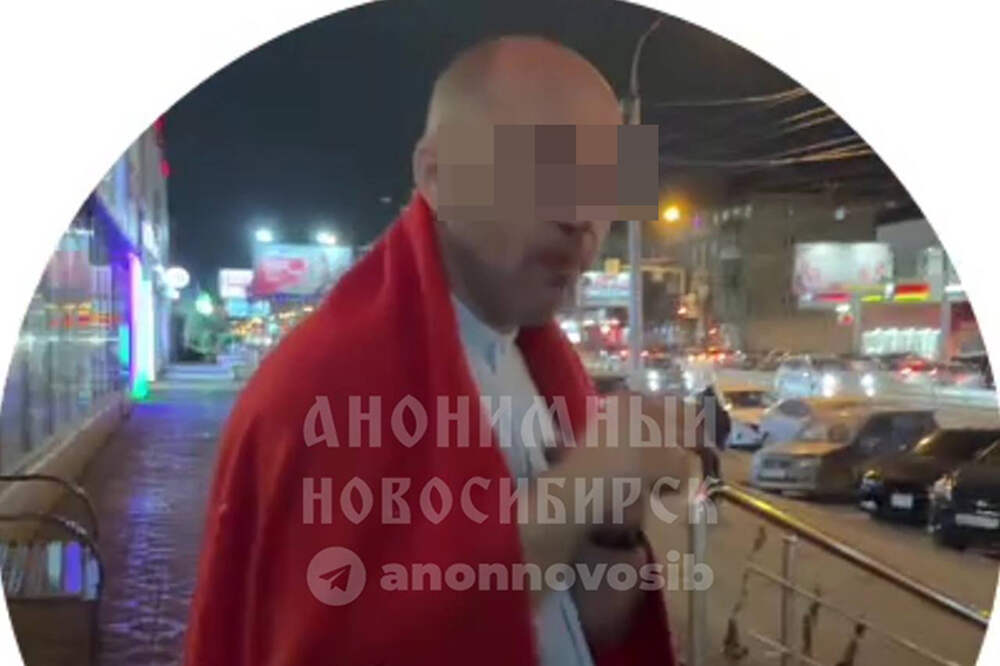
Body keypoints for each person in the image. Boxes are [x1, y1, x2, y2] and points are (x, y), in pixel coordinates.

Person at [185, 36, 689, 666]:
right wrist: (584, 485)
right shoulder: (332, 382)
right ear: (436, 176)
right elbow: (377, 645)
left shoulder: (538, 362)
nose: (581, 218)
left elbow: (584, 626)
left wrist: (615, 522)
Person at [696, 385, 730, 481]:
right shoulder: (722, 412)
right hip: (717, 439)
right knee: (714, 459)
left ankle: (709, 478)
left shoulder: (700, 412)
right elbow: (727, 426)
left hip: (706, 440)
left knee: (706, 461)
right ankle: (716, 477)